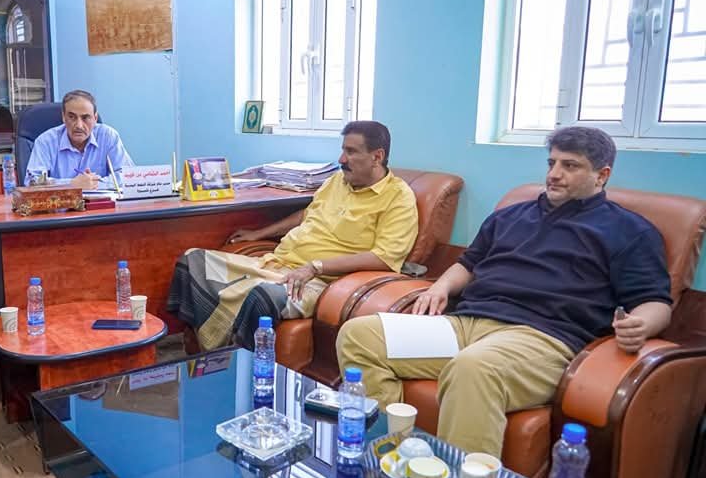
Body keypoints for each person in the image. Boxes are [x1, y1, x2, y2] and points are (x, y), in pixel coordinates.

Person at [336, 126, 672, 458]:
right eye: (552, 163)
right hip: (467, 323)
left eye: (570, 166)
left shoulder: (630, 231)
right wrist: (441, 286)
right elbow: (468, 264)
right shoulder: (510, 216)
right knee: (359, 335)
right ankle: (388, 455)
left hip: (541, 338)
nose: (554, 174)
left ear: (602, 175)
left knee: (473, 369)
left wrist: (641, 324)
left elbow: (655, 302)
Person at [167, 121, 419, 350]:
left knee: (263, 297)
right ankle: (211, 349)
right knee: (192, 261)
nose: (342, 159)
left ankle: (233, 364)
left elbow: (384, 258)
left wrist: (316, 267)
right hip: (274, 264)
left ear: (377, 156)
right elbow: (306, 214)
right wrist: (258, 234)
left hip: (316, 282)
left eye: (351, 152)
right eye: (343, 149)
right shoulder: (337, 181)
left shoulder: (398, 197)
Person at [25, 89, 133, 189]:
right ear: (63, 117)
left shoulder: (108, 136)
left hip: (101, 202)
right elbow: (32, 182)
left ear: (95, 118)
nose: (79, 125)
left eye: (85, 118)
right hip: (60, 203)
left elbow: (128, 176)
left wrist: (93, 184)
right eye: (72, 117)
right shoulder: (46, 141)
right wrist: (72, 184)